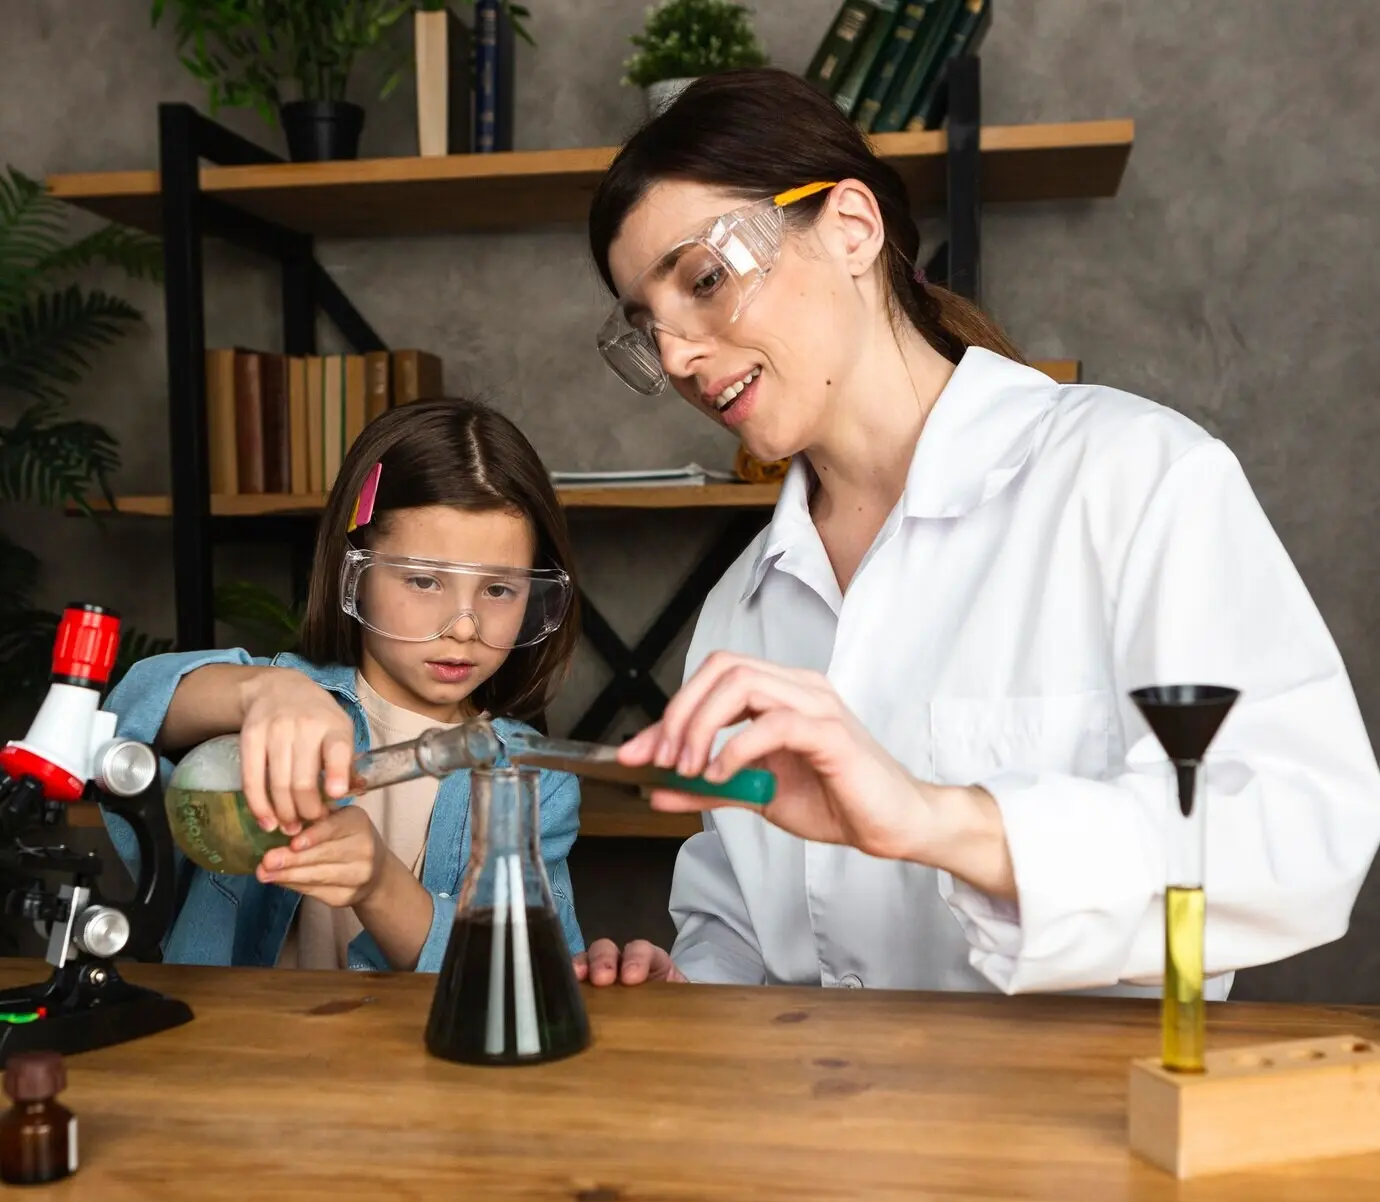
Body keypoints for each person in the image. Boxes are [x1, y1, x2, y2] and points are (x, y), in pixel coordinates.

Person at [580, 68, 1380, 992]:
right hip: (806, 1129)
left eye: (706, 279)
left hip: (1076, 1122)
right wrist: (688, 984)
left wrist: (938, 819)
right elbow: (738, 922)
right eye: (649, 328)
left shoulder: (1132, 478)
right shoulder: (739, 608)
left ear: (851, 227)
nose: (678, 356)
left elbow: (1303, 829)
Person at [105, 399, 585, 972]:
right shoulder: (280, 706)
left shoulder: (534, 782)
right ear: (353, 571)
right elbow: (115, 727)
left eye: (499, 591)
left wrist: (379, 884)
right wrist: (259, 692)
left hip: (413, 1063)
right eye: (425, 580)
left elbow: (521, 973)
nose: (464, 627)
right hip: (239, 1054)